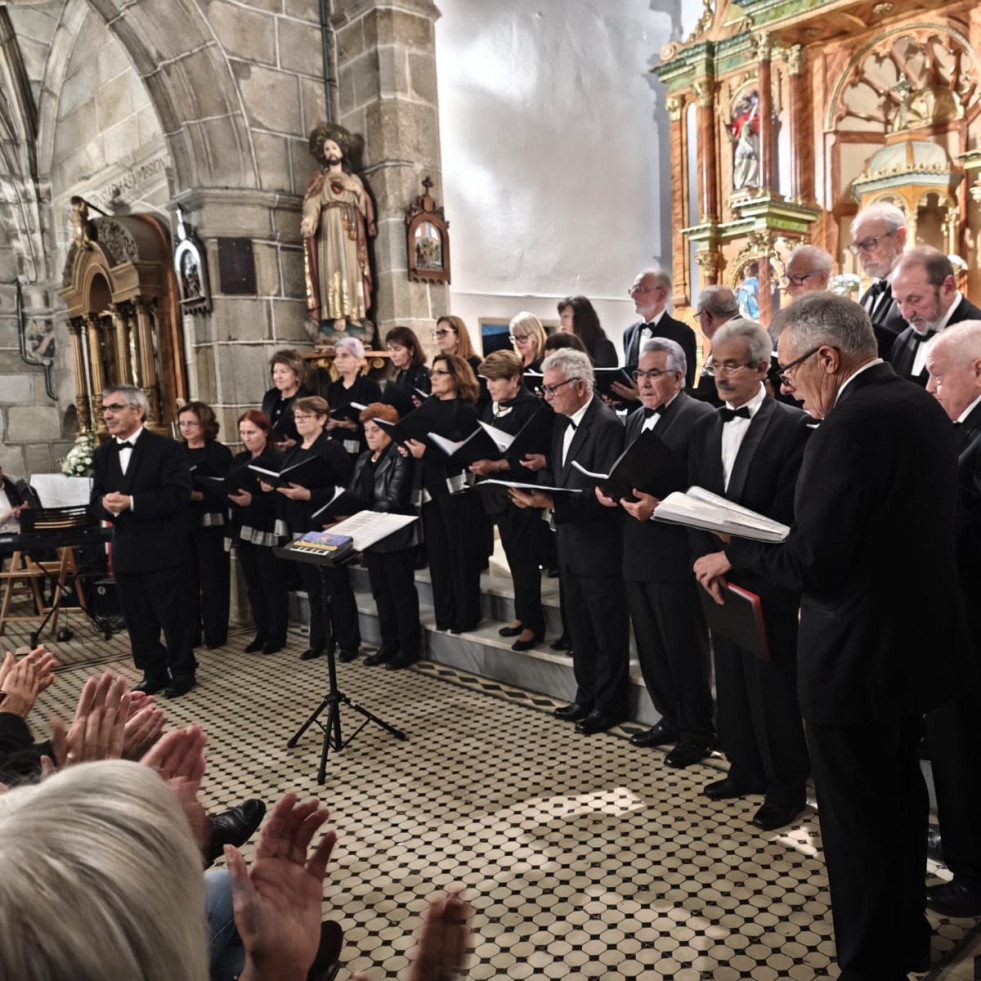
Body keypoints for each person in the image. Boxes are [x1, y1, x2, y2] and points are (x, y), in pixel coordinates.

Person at [699, 292, 965, 978]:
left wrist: (741, 551)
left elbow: (813, 561)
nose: (785, 383)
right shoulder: (916, 405)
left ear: (827, 355)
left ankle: (870, 963)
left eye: (788, 368)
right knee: (898, 803)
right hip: (911, 649)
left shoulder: (848, 425)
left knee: (854, 826)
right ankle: (903, 939)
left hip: (851, 658)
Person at [688, 321, 811, 819]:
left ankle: (786, 785)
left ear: (764, 367)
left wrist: (731, 555)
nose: (720, 375)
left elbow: (789, 516)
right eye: (715, 364)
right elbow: (694, 498)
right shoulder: (704, 425)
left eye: (732, 364)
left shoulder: (792, 426)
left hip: (768, 578)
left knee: (772, 685)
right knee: (732, 679)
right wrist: (705, 562)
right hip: (715, 576)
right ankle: (743, 768)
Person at [597, 339, 716, 758]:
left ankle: (699, 731)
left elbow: (704, 489)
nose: (643, 383)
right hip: (637, 550)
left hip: (675, 552)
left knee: (683, 648)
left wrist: (661, 508)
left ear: (679, 377)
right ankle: (671, 717)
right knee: (650, 646)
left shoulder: (700, 417)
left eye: (654, 374)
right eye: (640, 374)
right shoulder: (633, 419)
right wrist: (611, 493)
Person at [510, 350, 629, 734]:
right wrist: (538, 492)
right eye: (543, 389)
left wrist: (548, 501)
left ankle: (609, 705)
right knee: (579, 627)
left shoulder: (607, 425)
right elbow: (564, 483)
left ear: (579, 386)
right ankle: (586, 696)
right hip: (570, 543)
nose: (546, 396)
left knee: (605, 631)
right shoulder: (562, 424)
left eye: (551, 388)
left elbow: (604, 495)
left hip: (599, 546)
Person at [923, 321, 981, 917]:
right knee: (952, 749)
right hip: (950, 620)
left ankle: (973, 874)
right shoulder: (961, 427)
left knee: (965, 751)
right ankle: (963, 842)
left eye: (939, 374)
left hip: (969, 626)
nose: (930, 386)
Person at [90, 385, 196, 699]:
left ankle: (182, 670)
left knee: (172, 616)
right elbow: (94, 500)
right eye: (105, 409)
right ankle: (153, 671)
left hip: (162, 547)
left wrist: (133, 502)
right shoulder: (103, 453)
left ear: (138, 411)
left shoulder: (167, 449)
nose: (108, 414)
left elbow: (178, 495)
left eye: (115, 407)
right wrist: (105, 505)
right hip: (126, 549)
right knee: (137, 619)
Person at [468, 350, 550, 651]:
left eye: (494, 380)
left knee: (526, 560)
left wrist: (496, 465)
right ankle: (521, 613)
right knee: (514, 558)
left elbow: (528, 455)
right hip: (499, 494)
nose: (489, 386)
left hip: (523, 493)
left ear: (515, 379)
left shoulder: (531, 408)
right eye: (486, 380)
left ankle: (533, 624)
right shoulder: (493, 407)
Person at [403, 354, 484, 635]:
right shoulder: (428, 407)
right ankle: (445, 615)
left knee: (460, 554)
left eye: (440, 373)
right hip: (430, 489)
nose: (433, 378)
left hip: (458, 490)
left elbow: (472, 453)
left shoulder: (465, 411)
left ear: (457, 376)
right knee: (438, 556)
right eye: (433, 373)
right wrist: (409, 448)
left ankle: (466, 616)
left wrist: (428, 452)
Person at [275, 396, 357, 662]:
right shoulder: (295, 450)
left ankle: (347, 642)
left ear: (322, 418)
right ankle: (319, 640)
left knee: (336, 586)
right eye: (296, 417)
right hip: (300, 524)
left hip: (325, 524)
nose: (298, 422)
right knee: (312, 587)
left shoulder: (333, 449)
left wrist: (309, 494)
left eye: (304, 417)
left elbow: (344, 489)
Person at [349, 403, 422, 670]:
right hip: (371, 536)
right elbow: (353, 495)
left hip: (395, 533)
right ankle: (388, 644)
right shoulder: (363, 459)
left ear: (390, 430)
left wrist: (359, 514)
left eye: (376, 429)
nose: (370, 435)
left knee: (401, 593)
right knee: (381, 593)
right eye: (366, 429)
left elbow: (394, 498)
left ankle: (408, 647)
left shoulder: (400, 455)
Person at [301, 123, 376, 328]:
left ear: (342, 150)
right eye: (327, 149)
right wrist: (309, 218)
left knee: (352, 268)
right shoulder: (320, 180)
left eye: (334, 147)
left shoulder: (353, 179)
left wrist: (358, 192)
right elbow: (312, 202)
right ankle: (336, 314)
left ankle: (355, 313)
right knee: (333, 268)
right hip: (329, 229)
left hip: (351, 229)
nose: (331, 152)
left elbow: (365, 207)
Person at [227, 411, 289, 656]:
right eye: (243, 433)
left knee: (271, 581)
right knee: (253, 583)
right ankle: (261, 630)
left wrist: (256, 498)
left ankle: (277, 633)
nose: (246, 438)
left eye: (251, 432)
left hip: (267, 523)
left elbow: (283, 497)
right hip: (244, 525)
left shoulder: (277, 458)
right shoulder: (239, 458)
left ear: (265, 431)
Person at [178, 401, 233, 650]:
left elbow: (228, 488)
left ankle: (215, 633)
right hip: (183, 524)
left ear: (205, 424)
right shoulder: (175, 453)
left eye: (191, 423)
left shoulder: (219, 453)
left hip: (213, 523)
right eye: (182, 424)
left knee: (214, 579)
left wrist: (203, 495)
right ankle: (189, 634)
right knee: (186, 582)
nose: (186, 428)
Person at [888, 246, 981, 386]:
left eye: (915, 300)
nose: (906, 314)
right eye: (899, 302)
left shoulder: (977, 336)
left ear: (948, 287)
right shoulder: (902, 340)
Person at [618, 269, 697, 389]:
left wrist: (641, 396)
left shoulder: (682, 333)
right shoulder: (629, 333)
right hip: (633, 408)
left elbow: (686, 385)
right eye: (632, 290)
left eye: (640, 289)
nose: (633, 295)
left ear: (661, 294)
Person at [850, 201, 908, 357]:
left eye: (869, 243)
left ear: (899, 239)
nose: (862, 254)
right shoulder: (869, 295)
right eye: (858, 246)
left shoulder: (917, 290)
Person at [326, 336, 382, 459]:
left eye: (344, 356)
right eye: (337, 356)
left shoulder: (370, 386)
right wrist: (329, 423)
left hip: (363, 446)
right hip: (337, 446)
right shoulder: (333, 388)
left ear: (358, 360)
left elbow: (380, 421)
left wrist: (354, 426)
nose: (338, 360)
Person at [691, 286, 742, 406]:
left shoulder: (731, 339)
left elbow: (712, 394)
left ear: (706, 316)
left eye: (698, 317)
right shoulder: (742, 331)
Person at [260, 348, 313, 450]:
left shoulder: (308, 398)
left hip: (296, 454)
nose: (278, 377)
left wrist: (296, 444)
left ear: (297, 375)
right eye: (275, 372)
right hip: (270, 453)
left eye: (283, 372)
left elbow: (315, 434)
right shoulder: (270, 396)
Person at [557, 295, 617, 368]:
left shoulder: (602, 346)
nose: (561, 322)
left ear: (580, 319)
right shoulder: (562, 347)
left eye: (566, 316)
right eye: (561, 317)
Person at [385, 325, 431, 396]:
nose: (392, 355)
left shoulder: (424, 374)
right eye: (389, 349)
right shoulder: (400, 374)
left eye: (397, 349)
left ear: (411, 350)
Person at [0, 461, 26, 533]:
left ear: (1, 471)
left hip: (17, 531)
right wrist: (4, 517)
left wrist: (21, 513)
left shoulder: (13, 487)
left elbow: (28, 516)